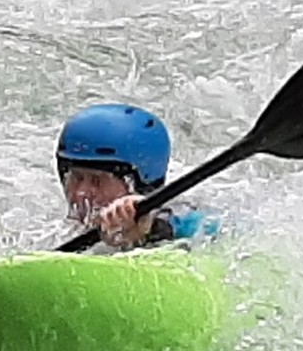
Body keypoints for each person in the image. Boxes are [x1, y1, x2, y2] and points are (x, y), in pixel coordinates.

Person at [56, 102, 218, 250]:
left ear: (136, 184)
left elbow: (208, 230)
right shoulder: (56, 231)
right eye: (76, 178)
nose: (81, 192)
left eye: (97, 181)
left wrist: (148, 232)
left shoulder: (186, 220)